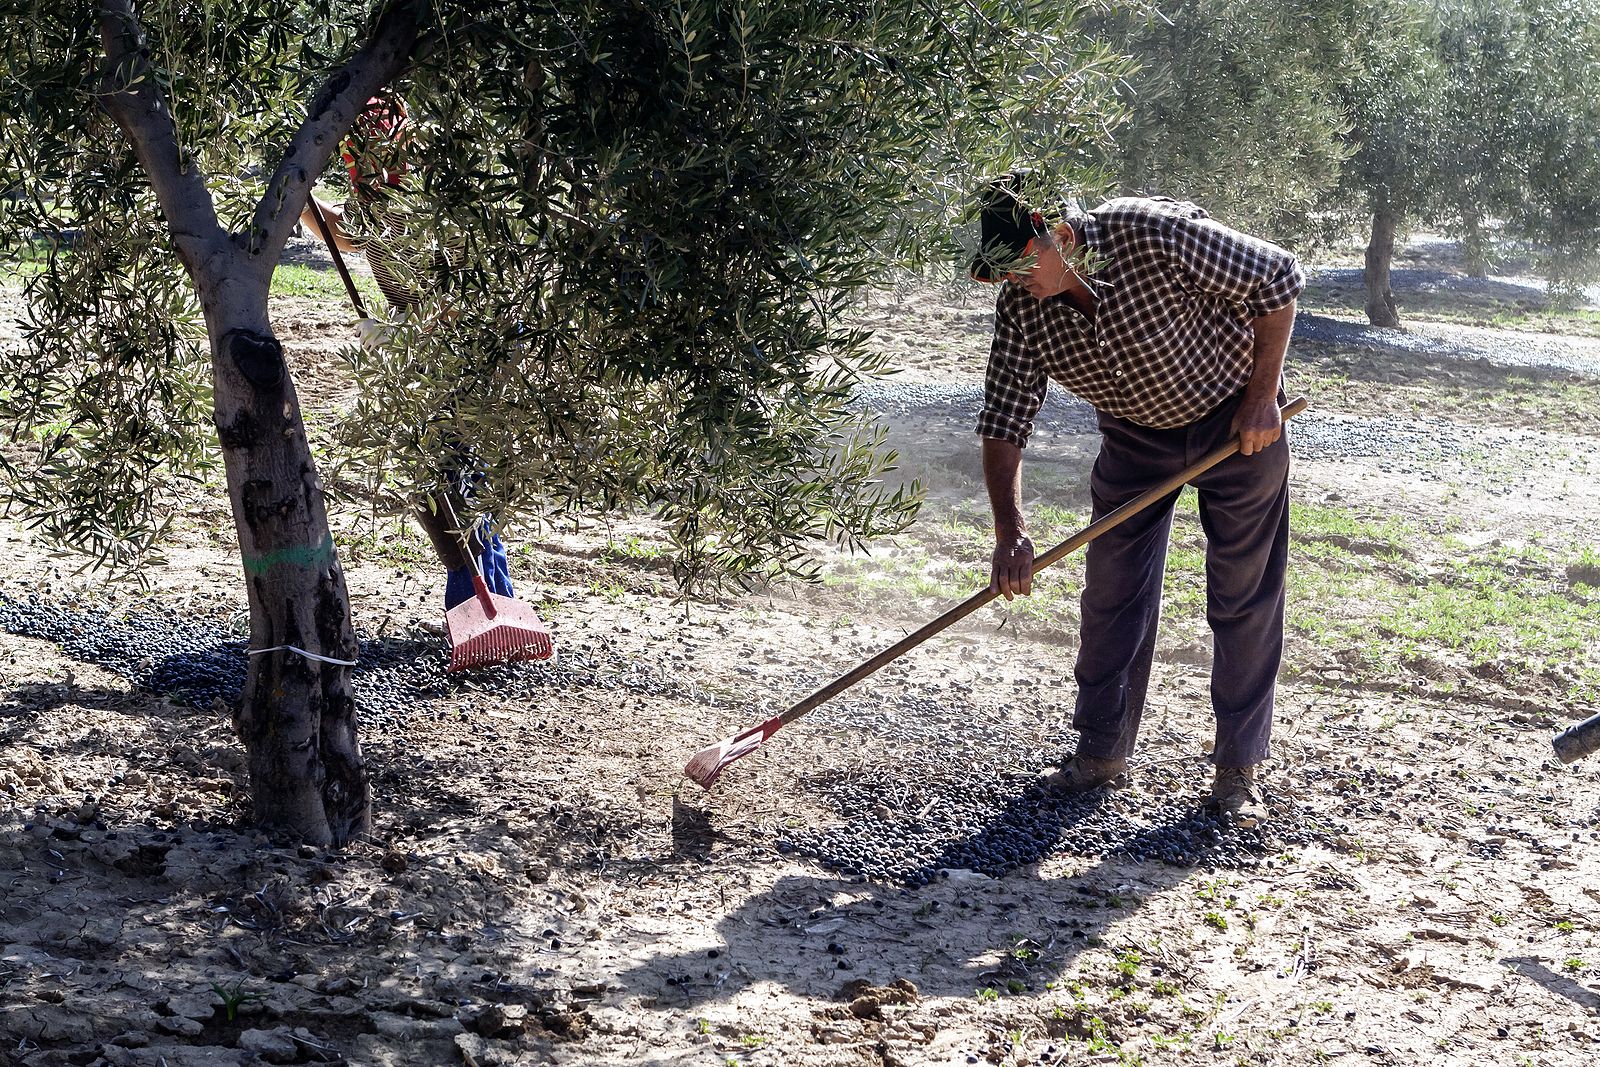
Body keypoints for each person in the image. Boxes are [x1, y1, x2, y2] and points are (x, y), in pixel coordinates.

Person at [969, 172, 1303, 822]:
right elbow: (1005, 418)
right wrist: (1009, 529)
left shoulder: (1152, 233)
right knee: (1111, 593)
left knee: (1242, 594)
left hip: (1235, 424)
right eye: (1001, 272)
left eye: (1018, 265)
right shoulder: (1022, 309)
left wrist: (1263, 397)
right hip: (1133, 436)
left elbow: (1280, 278)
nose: (1013, 281)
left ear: (1060, 237)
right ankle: (1101, 754)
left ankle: (1238, 771)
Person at [298, 95, 514, 612]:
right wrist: (300, 196)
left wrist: (402, 333)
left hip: (466, 352)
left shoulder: (434, 202)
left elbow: (467, 293)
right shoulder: (373, 198)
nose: (367, 169)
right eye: (359, 160)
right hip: (422, 352)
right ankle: (484, 599)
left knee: (455, 477)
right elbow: (344, 235)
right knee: (434, 477)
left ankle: (480, 603)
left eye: (375, 158)